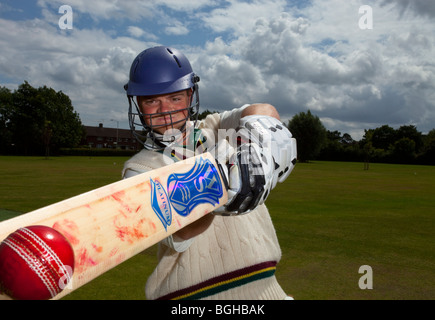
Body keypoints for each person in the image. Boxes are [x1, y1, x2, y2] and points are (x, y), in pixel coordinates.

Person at [122, 46, 297, 300]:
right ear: (138, 104)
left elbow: (264, 111)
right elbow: (182, 233)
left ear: (191, 95)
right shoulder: (138, 171)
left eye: (175, 98)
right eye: (152, 101)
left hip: (268, 291)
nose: (165, 110)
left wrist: (261, 148)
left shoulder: (214, 128)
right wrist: (224, 180)